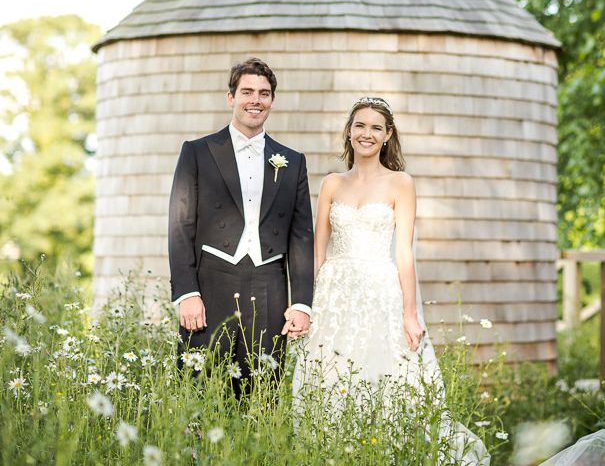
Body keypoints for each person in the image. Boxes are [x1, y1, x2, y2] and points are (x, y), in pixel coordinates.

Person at [292, 96, 490, 464]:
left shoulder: (401, 183)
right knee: (330, 381)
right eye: (360, 126)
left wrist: (410, 314)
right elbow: (317, 251)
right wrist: (305, 303)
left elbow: (403, 253)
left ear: (387, 136)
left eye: (375, 128)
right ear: (349, 132)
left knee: (386, 382)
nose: (366, 134)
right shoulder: (331, 183)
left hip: (380, 291)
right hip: (333, 295)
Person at [168, 58, 314, 395]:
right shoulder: (197, 152)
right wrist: (187, 294)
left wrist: (302, 303)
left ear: (272, 101)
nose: (256, 100)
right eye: (247, 91)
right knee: (198, 394)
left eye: (264, 93)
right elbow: (180, 226)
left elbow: (301, 237)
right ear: (231, 97)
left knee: (262, 398)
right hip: (210, 286)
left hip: (269, 290)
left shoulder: (292, 161)